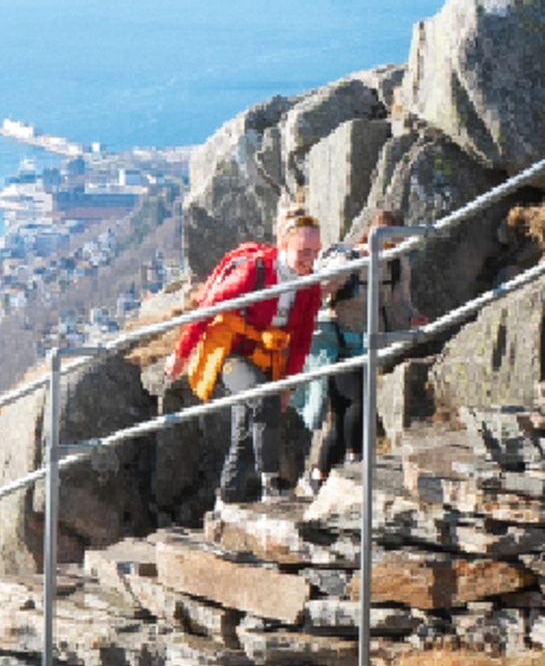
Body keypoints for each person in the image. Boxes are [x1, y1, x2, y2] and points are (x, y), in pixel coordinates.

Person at [169, 207, 326, 509]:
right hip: (232, 351)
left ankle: (226, 499)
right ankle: (271, 484)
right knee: (265, 400)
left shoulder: (310, 285)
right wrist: (181, 353)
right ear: (284, 244)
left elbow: (302, 339)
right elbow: (209, 306)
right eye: (304, 251)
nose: (311, 260)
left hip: (266, 357)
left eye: (315, 252)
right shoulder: (255, 271)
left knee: (244, 431)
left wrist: (288, 384)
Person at [294, 213, 412, 497]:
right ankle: (354, 459)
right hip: (336, 345)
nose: (389, 248)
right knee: (361, 401)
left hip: (367, 345)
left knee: (343, 416)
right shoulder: (348, 261)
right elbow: (314, 291)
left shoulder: (397, 265)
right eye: (385, 240)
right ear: (370, 234)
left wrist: (412, 318)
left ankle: (318, 475)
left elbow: (400, 302)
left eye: (395, 242)